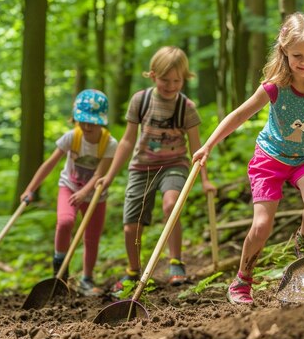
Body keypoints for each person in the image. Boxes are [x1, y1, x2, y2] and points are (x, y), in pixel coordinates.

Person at [192, 13, 304, 305]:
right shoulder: (274, 86)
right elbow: (239, 115)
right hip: (270, 160)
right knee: (261, 226)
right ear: (283, 50)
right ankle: (242, 281)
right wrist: (207, 145)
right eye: (297, 55)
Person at [96, 46, 215, 295]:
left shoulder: (186, 107)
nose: (171, 86)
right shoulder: (141, 100)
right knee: (132, 225)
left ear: (185, 79)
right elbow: (128, 140)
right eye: (164, 80)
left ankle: (175, 262)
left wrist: (204, 179)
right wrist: (109, 176)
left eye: (176, 80)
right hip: (142, 167)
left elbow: (197, 146)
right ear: (152, 76)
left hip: (175, 164)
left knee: (171, 205)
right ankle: (134, 270)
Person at [21, 89, 118, 297]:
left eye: (91, 121)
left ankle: (87, 279)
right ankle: (60, 271)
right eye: (82, 120)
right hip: (70, 187)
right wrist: (30, 189)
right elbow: (49, 164)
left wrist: (85, 192)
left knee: (92, 238)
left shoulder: (109, 144)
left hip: (95, 195)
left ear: (102, 121)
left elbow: (100, 174)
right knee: (65, 222)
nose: (86, 126)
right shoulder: (71, 138)